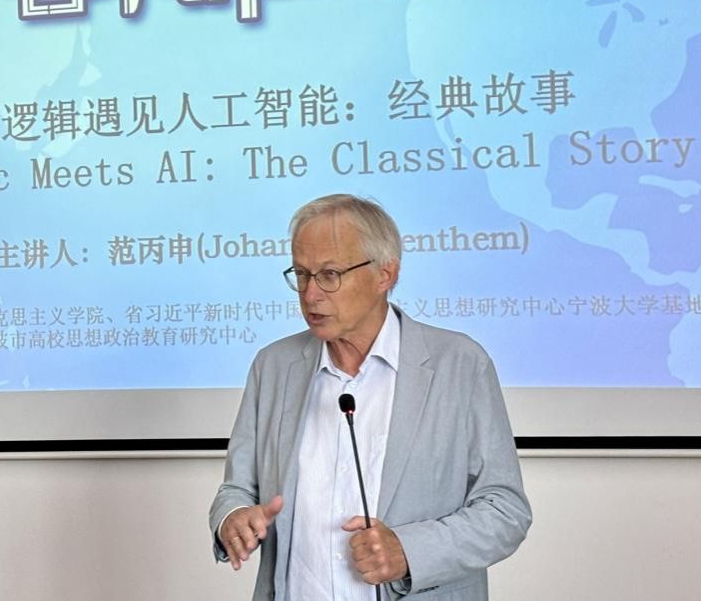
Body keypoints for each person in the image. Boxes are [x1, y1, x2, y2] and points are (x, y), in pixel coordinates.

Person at [209, 194, 531, 599]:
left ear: (385, 274)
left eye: (329, 274)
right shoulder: (274, 366)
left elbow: (505, 509)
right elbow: (237, 490)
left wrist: (410, 552)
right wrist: (234, 517)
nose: (310, 294)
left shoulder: (459, 364)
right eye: (302, 274)